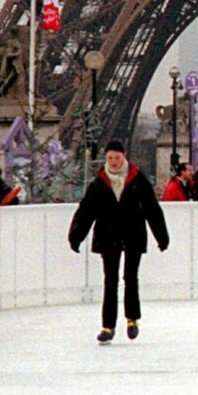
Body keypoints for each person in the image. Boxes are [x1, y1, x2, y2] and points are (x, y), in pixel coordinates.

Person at [68, 140, 169, 344]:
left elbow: (152, 208)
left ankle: (132, 319)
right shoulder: (99, 182)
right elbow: (86, 210)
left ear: (124, 157)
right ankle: (108, 326)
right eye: (110, 158)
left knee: (130, 277)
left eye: (117, 157)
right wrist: (76, 236)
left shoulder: (138, 179)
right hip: (108, 235)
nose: (114, 162)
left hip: (133, 234)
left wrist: (161, 236)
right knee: (110, 280)